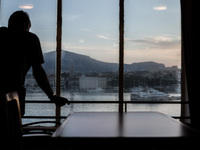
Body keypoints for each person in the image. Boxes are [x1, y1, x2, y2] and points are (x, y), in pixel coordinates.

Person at [0, 10, 69, 116]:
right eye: (28, 27)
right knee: (14, 127)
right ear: (25, 25)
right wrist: (52, 96)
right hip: (15, 92)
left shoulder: (1, 35)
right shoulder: (30, 39)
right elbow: (38, 72)